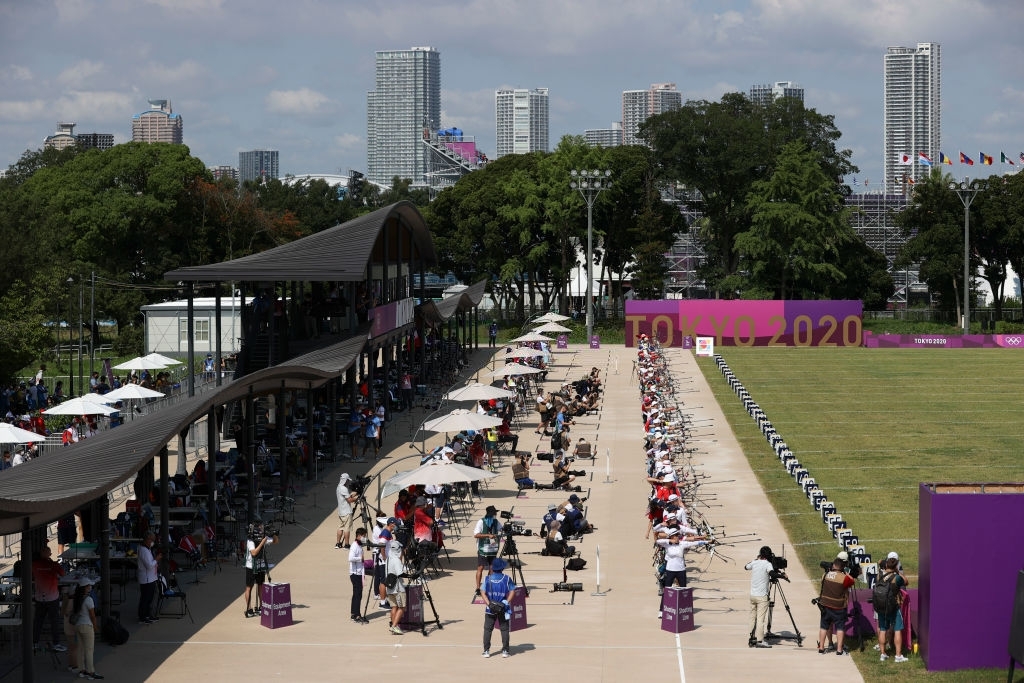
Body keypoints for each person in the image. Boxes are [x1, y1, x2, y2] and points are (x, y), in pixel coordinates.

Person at [655, 532, 708, 617]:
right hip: (670, 571)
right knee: (667, 591)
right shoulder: (667, 545)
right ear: (672, 537)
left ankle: (684, 611)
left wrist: (707, 542)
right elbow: (658, 541)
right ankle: (661, 611)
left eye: (678, 536)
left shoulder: (682, 544)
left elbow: (695, 543)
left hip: (681, 571)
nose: (677, 537)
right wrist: (670, 540)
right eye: (676, 536)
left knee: (684, 591)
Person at [816, 555, 856, 655]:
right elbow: (852, 580)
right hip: (839, 607)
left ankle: (821, 648)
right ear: (842, 567)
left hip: (825, 606)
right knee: (840, 628)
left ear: (833, 565)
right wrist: (846, 573)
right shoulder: (844, 578)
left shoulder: (825, 575)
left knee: (824, 627)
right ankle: (839, 650)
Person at [31, 545, 67, 652]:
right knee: (54, 622)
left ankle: (34, 643)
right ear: (50, 554)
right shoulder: (54, 565)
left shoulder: (34, 565)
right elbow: (63, 573)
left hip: (39, 598)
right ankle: (56, 643)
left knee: (38, 621)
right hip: (52, 598)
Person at [481, 557, 516, 658]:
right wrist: (506, 602)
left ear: (492, 567)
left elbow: (483, 593)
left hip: (490, 609)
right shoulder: (507, 579)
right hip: (503, 608)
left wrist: (489, 604)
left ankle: (486, 651)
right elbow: (512, 591)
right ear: (502, 568)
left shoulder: (487, 579)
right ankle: (505, 651)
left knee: (488, 629)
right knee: (504, 629)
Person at [875, 557, 909, 662]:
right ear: (895, 566)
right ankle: (898, 656)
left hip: (881, 607)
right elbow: (906, 582)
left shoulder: (879, 576)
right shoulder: (896, 578)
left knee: (882, 629)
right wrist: (898, 572)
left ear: (886, 565)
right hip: (894, 607)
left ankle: (883, 654)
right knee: (897, 629)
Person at [69, 576, 103, 680]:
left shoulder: (76, 598)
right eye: (88, 586)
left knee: (80, 649)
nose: (90, 587)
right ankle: (91, 672)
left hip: (78, 625)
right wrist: (95, 627)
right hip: (87, 626)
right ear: (85, 587)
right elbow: (92, 615)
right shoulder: (89, 599)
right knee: (89, 650)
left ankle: (82, 670)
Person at [244, 522, 276, 617]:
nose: (262, 530)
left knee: (261, 585)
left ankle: (261, 606)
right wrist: (262, 542)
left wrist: (274, 534)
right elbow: (254, 553)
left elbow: (275, 541)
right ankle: (249, 609)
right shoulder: (250, 540)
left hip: (261, 565)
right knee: (249, 587)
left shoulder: (263, 538)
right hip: (251, 566)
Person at [745, 546, 774, 649]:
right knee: (760, 619)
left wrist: (756, 559)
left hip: (753, 596)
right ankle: (760, 641)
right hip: (762, 597)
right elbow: (772, 573)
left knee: (752, 617)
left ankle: (752, 637)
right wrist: (782, 576)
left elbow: (746, 567)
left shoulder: (755, 562)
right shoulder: (768, 564)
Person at [384, 518, 406, 635]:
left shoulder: (388, 559)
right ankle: (394, 626)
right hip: (398, 588)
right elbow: (400, 573)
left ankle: (394, 625)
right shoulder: (397, 560)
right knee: (402, 607)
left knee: (393, 607)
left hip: (389, 587)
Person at [473, 506, 502, 596]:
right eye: (494, 513)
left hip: (493, 549)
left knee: (492, 568)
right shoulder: (481, 522)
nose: (495, 515)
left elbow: (501, 529)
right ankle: (478, 588)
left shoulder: (496, 522)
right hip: (483, 549)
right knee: (480, 568)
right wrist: (487, 535)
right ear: (490, 514)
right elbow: (476, 535)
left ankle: (488, 585)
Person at [137, 531, 160, 624]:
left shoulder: (148, 549)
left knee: (149, 598)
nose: (153, 542)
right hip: (146, 579)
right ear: (147, 540)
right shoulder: (143, 550)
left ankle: (147, 615)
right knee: (145, 598)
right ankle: (142, 617)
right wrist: (156, 559)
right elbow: (149, 566)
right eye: (152, 540)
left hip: (151, 578)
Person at [349, 527, 368, 622]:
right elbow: (350, 558)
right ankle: (357, 615)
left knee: (356, 594)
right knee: (358, 595)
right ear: (359, 536)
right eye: (364, 536)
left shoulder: (359, 545)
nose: (365, 538)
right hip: (355, 574)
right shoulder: (354, 546)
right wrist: (360, 558)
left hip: (359, 573)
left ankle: (353, 613)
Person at [335, 473, 356, 549]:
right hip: (346, 511)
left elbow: (346, 497)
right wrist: (356, 498)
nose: (348, 482)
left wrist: (353, 495)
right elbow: (349, 500)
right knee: (347, 529)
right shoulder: (344, 489)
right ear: (345, 480)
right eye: (347, 480)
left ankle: (338, 543)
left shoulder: (338, 487)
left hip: (341, 511)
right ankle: (346, 545)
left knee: (340, 527)